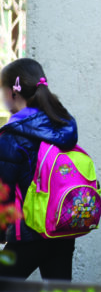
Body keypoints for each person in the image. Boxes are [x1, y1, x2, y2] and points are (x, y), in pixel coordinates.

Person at [0, 58, 78, 280]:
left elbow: (4, 191)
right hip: (62, 228)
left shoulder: (12, 135)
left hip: (28, 233)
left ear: (13, 92)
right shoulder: (62, 127)